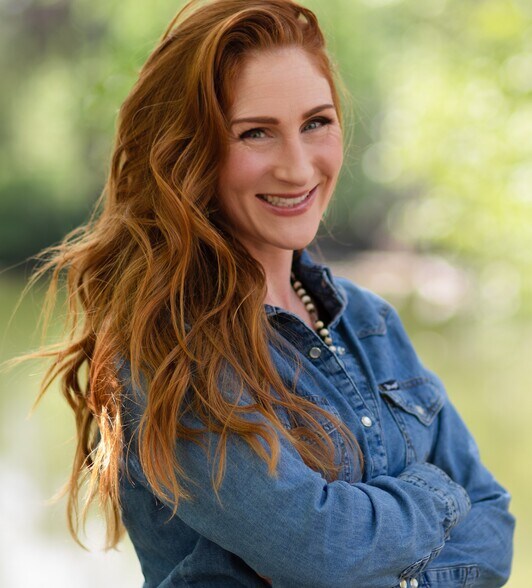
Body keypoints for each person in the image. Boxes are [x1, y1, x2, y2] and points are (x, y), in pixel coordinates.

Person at [21, 0, 514, 586]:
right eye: (256, 133)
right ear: (190, 152)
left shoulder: (372, 321)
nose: (298, 168)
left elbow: (496, 531)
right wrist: (439, 496)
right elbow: (322, 552)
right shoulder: (175, 351)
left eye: (316, 123)